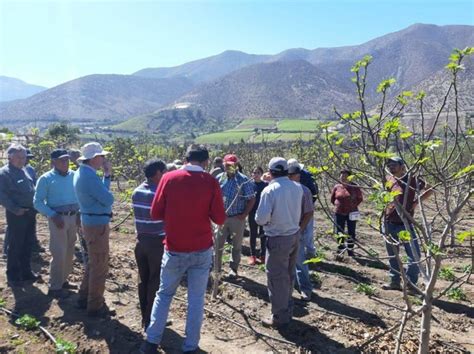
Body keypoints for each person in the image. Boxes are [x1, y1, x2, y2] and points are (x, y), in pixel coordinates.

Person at [141, 144, 226, 353]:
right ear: (206, 162)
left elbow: (155, 213)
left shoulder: (169, 179)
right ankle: (190, 347)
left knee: (164, 294)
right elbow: (220, 218)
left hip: (174, 248)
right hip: (201, 249)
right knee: (196, 299)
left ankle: (151, 342)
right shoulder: (211, 181)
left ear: (185, 158)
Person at [255, 157, 303, 328]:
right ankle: (287, 307)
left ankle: (279, 316)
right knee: (289, 273)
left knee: (276, 278)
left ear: (271, 171)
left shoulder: (270, 191)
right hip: (294, 235)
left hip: (277, 238)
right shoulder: (297, 188)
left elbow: (260, 219)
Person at [73, 142, 114, 317]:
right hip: (97, 226)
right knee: (100, 265)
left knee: (93, 263)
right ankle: (95, 306)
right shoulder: (89, 177)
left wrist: (106, 176)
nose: (103, 159)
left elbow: (103, 196)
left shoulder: (82, 173)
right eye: (101, 156)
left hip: (90, 222)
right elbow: (108, 199)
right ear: (93, 158)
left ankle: (84, 298)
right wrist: (107, 176)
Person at [34, 149, 80, 298]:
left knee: (69, 250)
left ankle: (63, 280)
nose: (65, 163)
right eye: (61, 160)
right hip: (57, 219)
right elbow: (37, 202)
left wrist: (79, 214)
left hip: (73, 217)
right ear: (53, 162)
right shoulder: (46, 178)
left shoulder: (74, 175)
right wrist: (53, 215)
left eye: (66, 160)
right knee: (59, 252)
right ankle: (55, 286)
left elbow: (79, 196)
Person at [381, 157, 432, 293]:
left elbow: (430, 189)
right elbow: (384, 195)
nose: (391, 166)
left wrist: (415, 202)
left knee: (414, 255)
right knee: (393, 255)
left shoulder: (411, 179)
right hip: (388, 222)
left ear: (402, 166)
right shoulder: (389, 179)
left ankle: (411, 283)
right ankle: (394, 281)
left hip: (405, 224)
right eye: (389, 164)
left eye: (394, 164)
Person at [132, 159, 167, 330]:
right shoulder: (159, 194)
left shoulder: (137, 191)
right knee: (155, 280)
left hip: (141, 242)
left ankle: (144, 317)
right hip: (156, 243)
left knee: (143, 279)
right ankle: (150, 319)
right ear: (158, 173)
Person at [0, 144, 38, 286]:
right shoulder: (4, 173)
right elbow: (2, 196)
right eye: (19, 157)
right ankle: (13, 275)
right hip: (17, 214)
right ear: (10, 157)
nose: (23, 160)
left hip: (30, 212)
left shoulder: (25, 170)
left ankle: (26, 272)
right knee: (16, 244)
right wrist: (15, 209)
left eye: (24, 157)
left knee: (28, 243)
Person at [215, 154, 255, 277]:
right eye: (227, 165)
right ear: (224, 165)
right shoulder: (220, 178)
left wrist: (244, 215)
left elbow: (251, 199)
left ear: (236, 166)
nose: (229, 168)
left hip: (237, 218)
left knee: (236, 245)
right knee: (218, 245)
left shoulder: (243, 180)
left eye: (232, 165)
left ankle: (233, 269)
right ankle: (217, 269)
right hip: (221, 218)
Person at [288, 164, 314, 301]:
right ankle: (290, 287)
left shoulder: (304, 191)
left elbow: (309, 212)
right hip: (285, 231)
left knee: (300, 261)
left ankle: (305, 288)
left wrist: (300, 229)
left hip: (297, 231)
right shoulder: (284, 190)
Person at [287, 158, 318, 258]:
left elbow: (314, 192)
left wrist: (308, 204)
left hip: (305, 206)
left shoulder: (307, 176)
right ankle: (300, 252)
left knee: (307, 231)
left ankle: (310, 253)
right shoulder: (289, 177)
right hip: (297, 207)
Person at [330, 169, 363, 259]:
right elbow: (332, 199)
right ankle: (340, 248)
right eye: (341, 176)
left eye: (345, 176)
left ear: (349, 177)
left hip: (352, 213)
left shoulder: (354, 186)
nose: (343, 178)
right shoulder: (337, 186)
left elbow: (360, 198)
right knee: (339, 231)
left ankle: (350, 250)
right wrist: (339, 206)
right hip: (339, 212)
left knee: (351, 231)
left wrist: (351, 206)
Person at [248, 166, 267, 265]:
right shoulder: (249, 185)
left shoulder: (265, 185)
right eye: (254, 172)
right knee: (253, 234)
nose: (256, 175)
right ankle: (253, 255)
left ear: (261, 174)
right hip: (252, 213)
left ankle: (263, 254)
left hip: (263, 213)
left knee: (263, 234)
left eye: (258, 173)